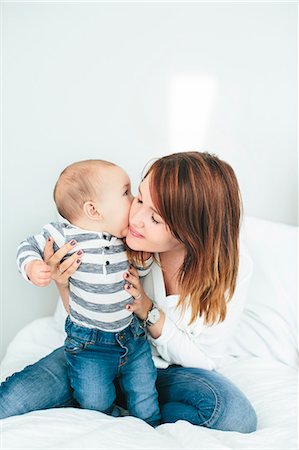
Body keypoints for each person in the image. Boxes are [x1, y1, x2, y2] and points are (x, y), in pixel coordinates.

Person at [0, 151, 257, 433]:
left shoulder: (232, 267)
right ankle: (100, 394)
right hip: (95, 350)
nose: (136, 218)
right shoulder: (114, 233)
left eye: (155, 219)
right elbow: (82, 319)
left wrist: (147, 310)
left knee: (233, 415)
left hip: (158, 368)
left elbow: (205, 360)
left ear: (191, 230)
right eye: (140, 197)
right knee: (13, 399)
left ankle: (114, 404)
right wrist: (63, 282)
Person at [15, 159, 161, 427]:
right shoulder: (65, 236)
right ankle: (107, 424)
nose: (133, 200)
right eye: (126, 193)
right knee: (94, 400)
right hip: (88, 343)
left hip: (132, 336)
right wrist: (33, 266)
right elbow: (27, 246)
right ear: (94, 210)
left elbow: (140, 270)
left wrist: (142, 261)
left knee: (145, 393)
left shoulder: (124, 237)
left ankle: (150, 430)